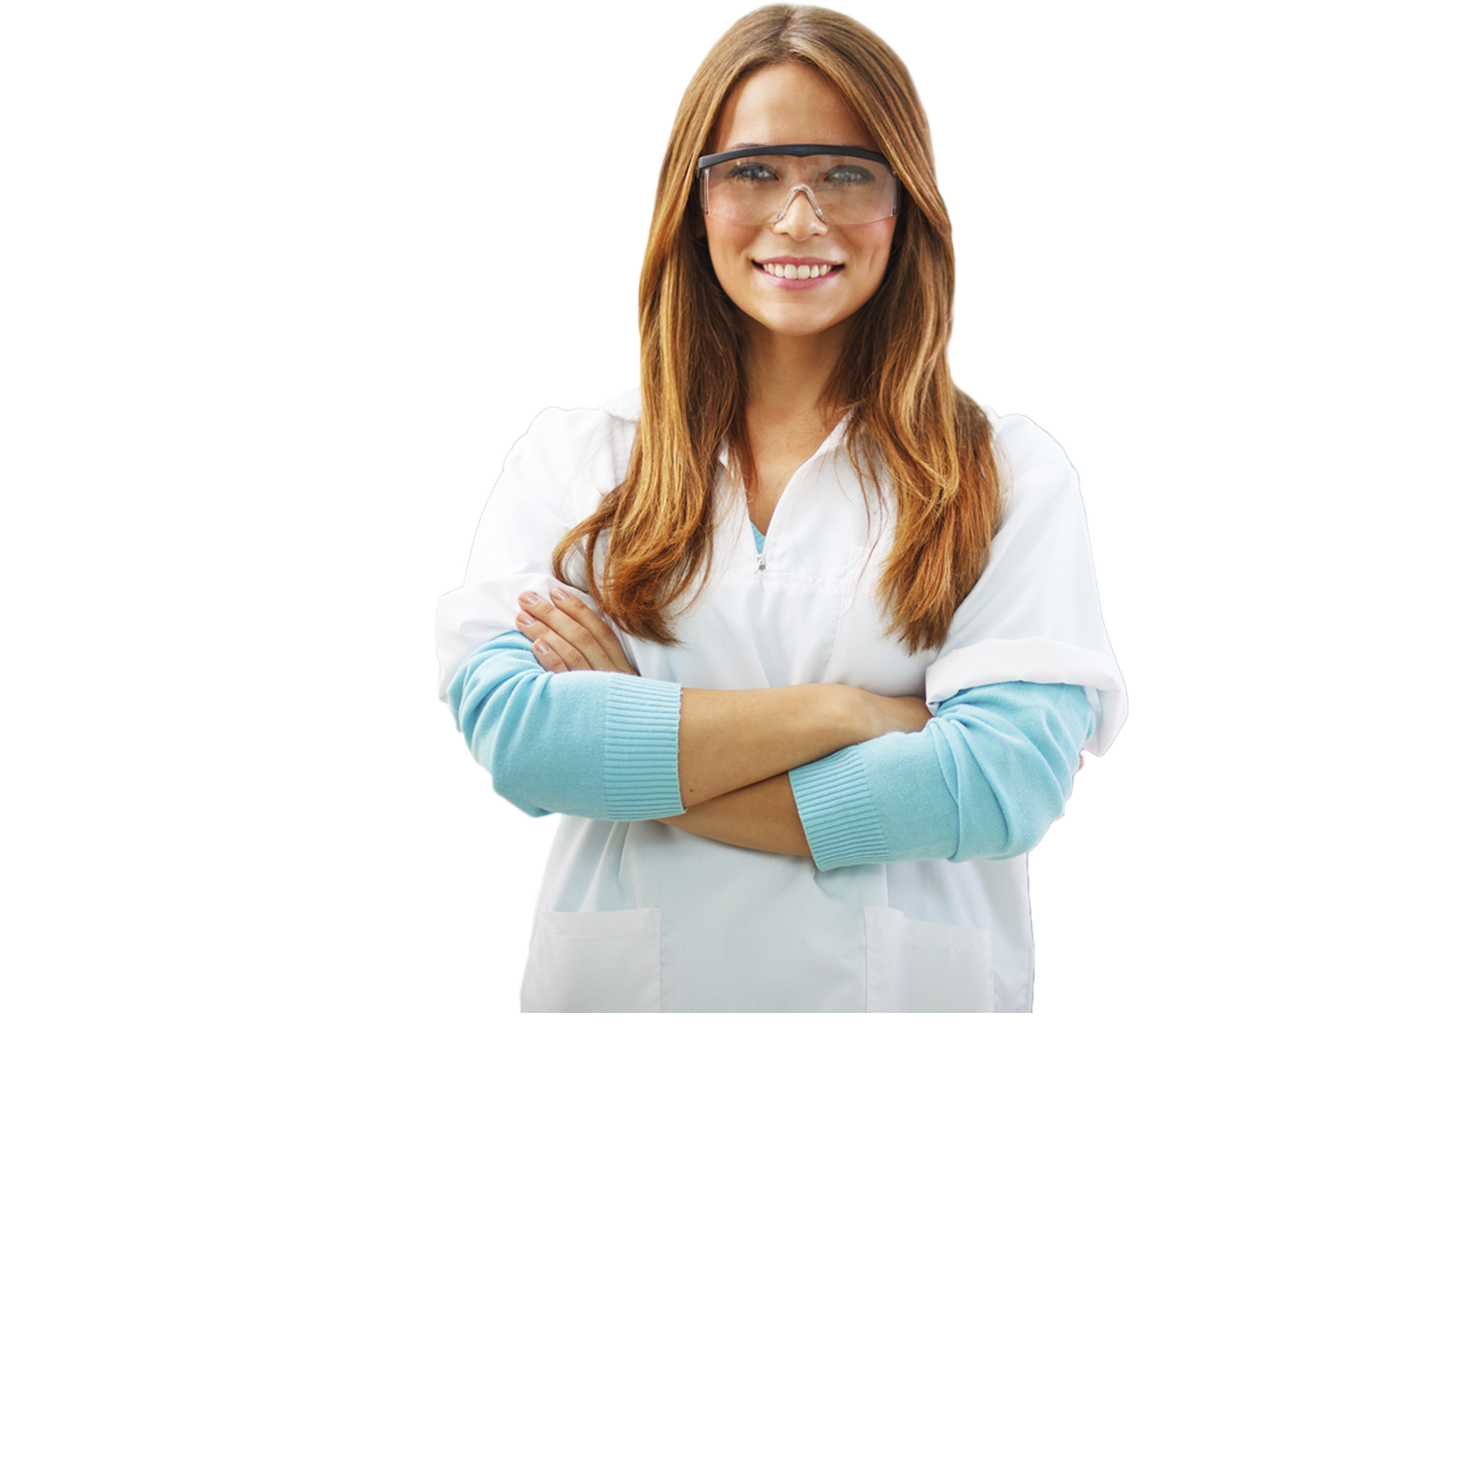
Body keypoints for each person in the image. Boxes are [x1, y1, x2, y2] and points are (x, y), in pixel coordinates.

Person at [434, 3, 1127, 1013]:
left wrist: (631, 748)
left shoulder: (1007, 475)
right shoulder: (574, 463)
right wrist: (849, 713)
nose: (799, 219)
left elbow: (994, 787)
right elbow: (519, 740)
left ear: (906, 203)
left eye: (846, 173)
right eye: (753, 171)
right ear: (693, 200)